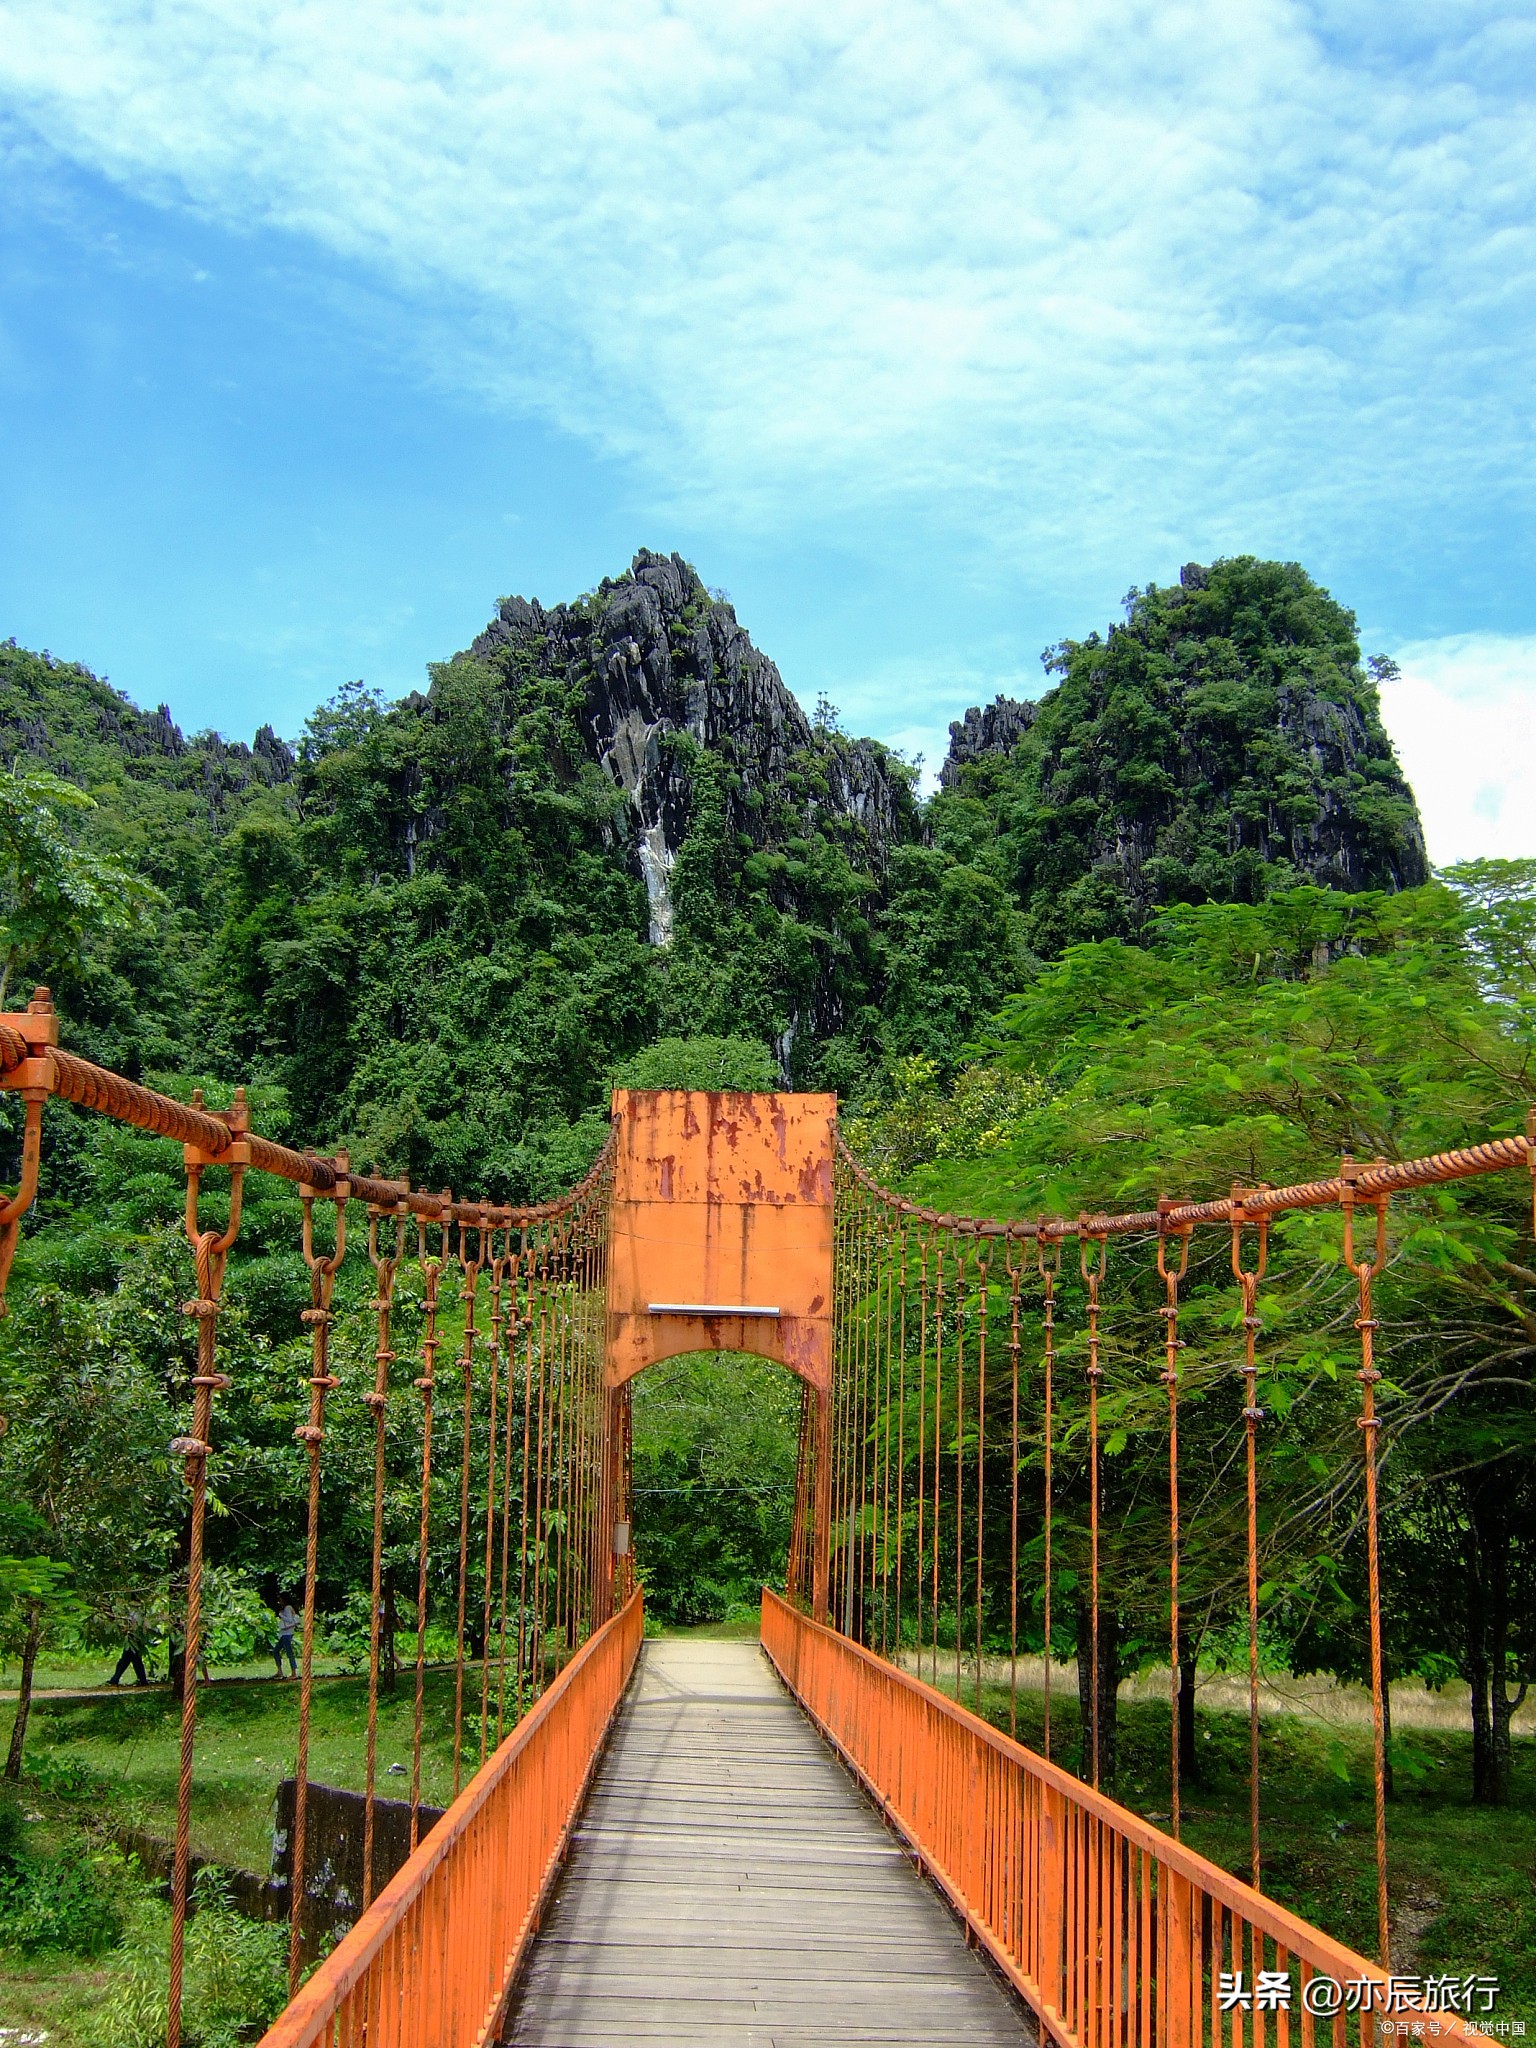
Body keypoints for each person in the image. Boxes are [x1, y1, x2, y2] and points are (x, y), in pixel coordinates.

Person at [107, 1608, 150, 1686]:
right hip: (134, 1638)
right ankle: (142, 1680)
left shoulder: (133, 1611)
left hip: (133, 1638)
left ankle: (115, 1679)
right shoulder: (138, 1611)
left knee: (129, 1659)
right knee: (130, 1659)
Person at [273, 1599, 299, 1678]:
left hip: (287, 1633)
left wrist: (281, 1615)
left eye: (280, 1600)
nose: (279, 1602)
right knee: (276, 1651)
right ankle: (279, 1671)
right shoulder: (287, 1608)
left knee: (289, 1653)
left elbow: (290, 1620)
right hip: (285, 1634)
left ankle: (293, 1673)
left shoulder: (287, 1608)